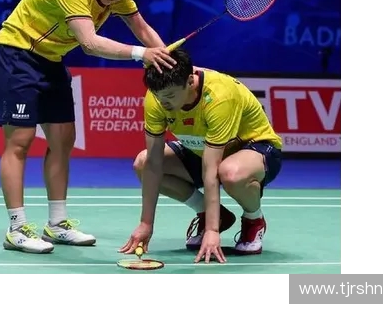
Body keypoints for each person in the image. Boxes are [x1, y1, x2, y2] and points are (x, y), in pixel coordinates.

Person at [0, 0, 175, 254]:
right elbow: (89, 43)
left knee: (63, 140)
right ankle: (17, 228)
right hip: (16, 53)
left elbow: (142, 29)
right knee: (20, 141)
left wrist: (171, 60)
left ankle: (57, 223)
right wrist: (142, 54)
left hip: (50, 60)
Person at [119, 47, 283, 263]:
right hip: (200, 149)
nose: (164, 103)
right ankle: (212, 214)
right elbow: (153, 163)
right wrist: (146, 224)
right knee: (143, 163)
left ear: (190, 81)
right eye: (159, 97)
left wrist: (212, 232)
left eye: (170, 96)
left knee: (230, 173)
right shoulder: (158, 97)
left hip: (255, 150)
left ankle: (254, 219)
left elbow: (211, 168)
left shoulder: (219, 97)